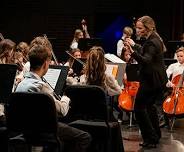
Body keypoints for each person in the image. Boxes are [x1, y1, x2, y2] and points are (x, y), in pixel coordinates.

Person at [15, 44, 91, 152]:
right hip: (43, 130)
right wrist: (65, 98)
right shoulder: (41, 87)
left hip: (25, 130)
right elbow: (63, 111)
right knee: (84, 137)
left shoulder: (21, 84)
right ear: (46, 63)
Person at [125, 15, 168, 148]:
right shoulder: (154, 38)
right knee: (150, 107)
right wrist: (136, 45)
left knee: (138, 108)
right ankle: (156, 134)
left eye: (140, 28)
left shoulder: (151, 41)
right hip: (156, 80)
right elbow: (147, 52)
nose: (137, 30)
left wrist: (132, 52)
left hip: (150, 81)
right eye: (136, 28)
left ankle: (150, 138)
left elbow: (146, 60)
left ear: (147, 27)